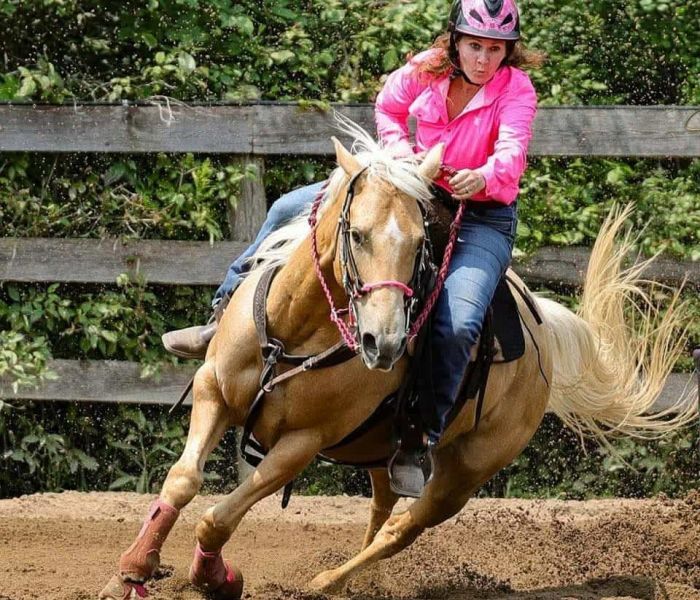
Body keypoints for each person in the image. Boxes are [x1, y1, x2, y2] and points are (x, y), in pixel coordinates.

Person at [162, 0, 544, 495]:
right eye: (475, 46)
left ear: (508, 51)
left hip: (480, 213)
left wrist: (485, 175)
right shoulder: (426, 68)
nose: (483, 59)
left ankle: (418, 436)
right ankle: (218, 321)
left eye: (495, 49)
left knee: (460, 322)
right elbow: (388, 108)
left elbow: (512, 153)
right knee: (284, 209)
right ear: (455, 41)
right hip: (408, 188)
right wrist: (401, 156)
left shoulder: (517, 89)